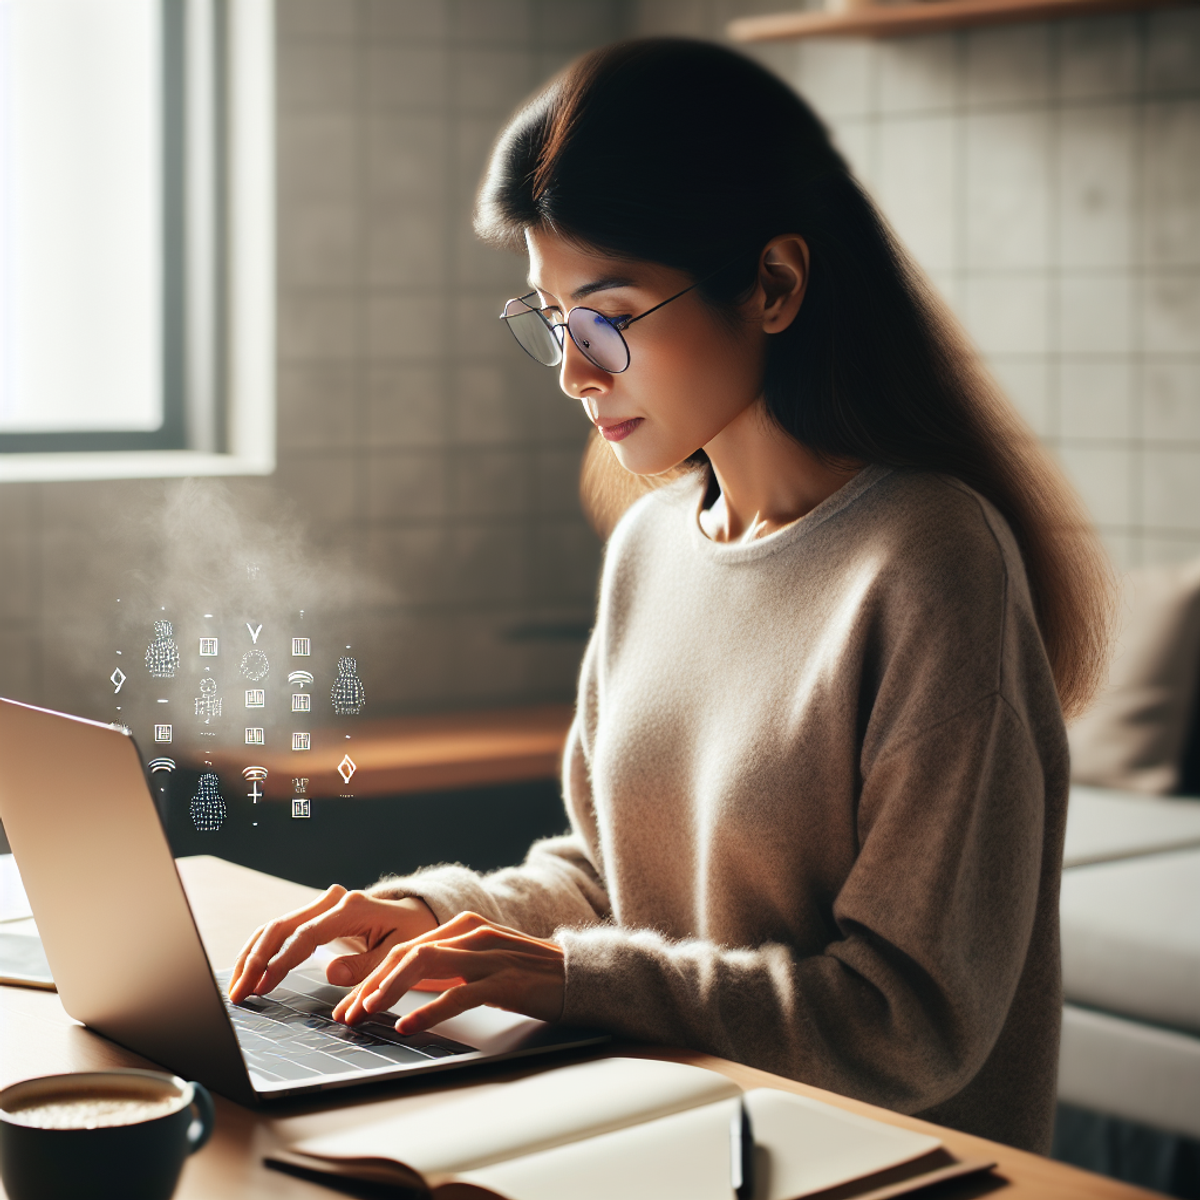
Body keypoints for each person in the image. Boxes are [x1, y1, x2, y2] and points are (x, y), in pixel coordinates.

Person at [230, 38, 1114, 1153]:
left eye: (606, 316)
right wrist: (436, 917)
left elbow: (908, 1025)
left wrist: (564, 979)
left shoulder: (929, 561)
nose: (573, 370)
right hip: (673, 1134)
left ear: (775, 285)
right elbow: (612, 881)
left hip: (870, 1167)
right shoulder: (652, 542)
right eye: (550, 321)